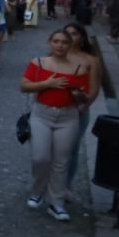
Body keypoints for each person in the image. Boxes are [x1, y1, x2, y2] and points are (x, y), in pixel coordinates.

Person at [22, 28, 91, 221]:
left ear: (70, 45)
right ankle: (37, 190)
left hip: (68, 116)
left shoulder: (79, 68)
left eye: (64, 42)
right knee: (40, 157)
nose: (60, 45)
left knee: (61, 161)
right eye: (57, 41)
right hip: (41, 114)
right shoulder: (38, 63)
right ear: (50, 43)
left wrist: (79, 95)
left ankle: (56, 202)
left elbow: (85, 95)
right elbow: (24, 86)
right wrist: (47, 84)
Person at [60, 21, 104, 194]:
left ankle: (65, 186)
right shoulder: (55, 55)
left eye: (74, 34)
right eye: (67, 33)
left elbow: (94, 89)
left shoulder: (91, 60)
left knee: (70, 150)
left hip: (77, 110)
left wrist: (84, 105)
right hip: (52, 108)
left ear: (82, 38)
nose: (70, 37)